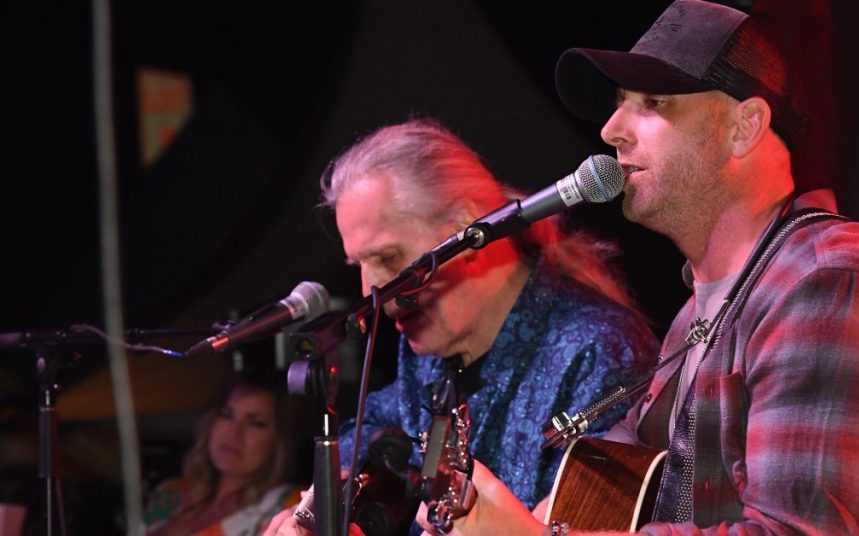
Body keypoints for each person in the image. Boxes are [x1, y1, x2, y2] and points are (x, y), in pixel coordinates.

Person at [424, 1, 859, 534]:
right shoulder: (704, 306)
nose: (611, 129)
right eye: (621, 100)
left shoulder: (830, 286)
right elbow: (616, 477)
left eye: (652, 103)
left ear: (744, 127)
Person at [264, 118, 660, 535]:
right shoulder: (427, 354)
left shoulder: (601, 350)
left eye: (387, 257)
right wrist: (318, 506)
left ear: (465, 228)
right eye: (359, 266)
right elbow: (369, 426)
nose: (371, 290)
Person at [144, 370, 303, 535]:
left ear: (279, 440)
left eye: (256, 423)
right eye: (227, 415)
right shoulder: (170, 494)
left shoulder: (289, 507)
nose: (234, 434)